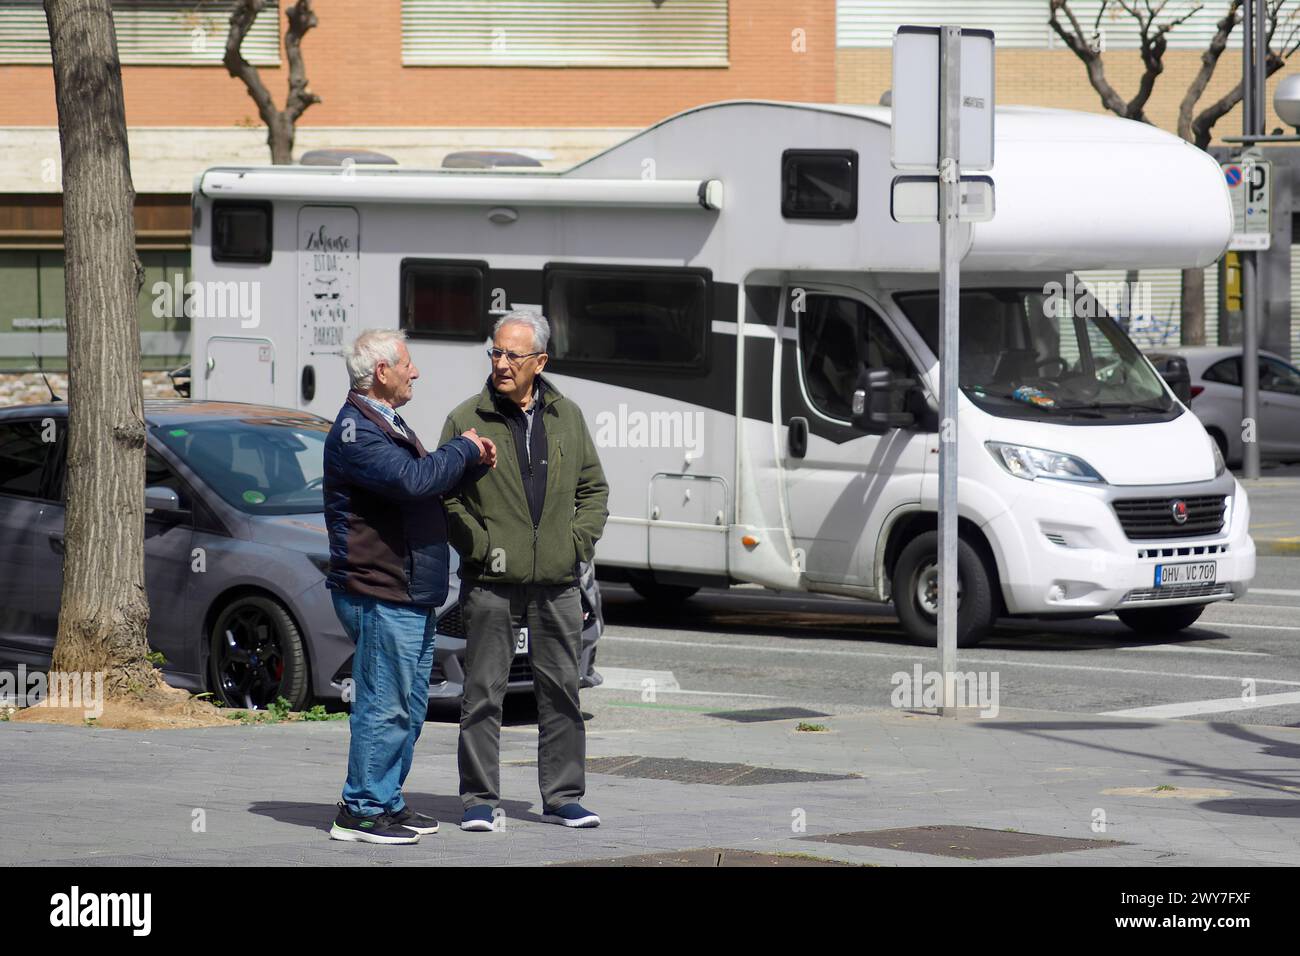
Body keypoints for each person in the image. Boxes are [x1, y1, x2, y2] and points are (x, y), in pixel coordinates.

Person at [324, 329, 496, 845]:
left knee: (410, 702)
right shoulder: (356, 430)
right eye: (407, 364)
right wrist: (462, 448)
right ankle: (360, 810)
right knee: (384, 703)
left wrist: (466, 464)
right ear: (382, 372)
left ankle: (386, 799)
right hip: (380, 590)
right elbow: (412, 481)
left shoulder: (385, 423)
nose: (414, 372)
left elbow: (422, 485)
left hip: (409, 592)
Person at [439, 310, 609, 831]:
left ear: (540, 361)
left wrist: (574, 545)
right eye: (496, 353)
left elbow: (593, 491)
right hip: (490, 581)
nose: (502, 364)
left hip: (557, 582)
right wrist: (483, 545)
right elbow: (447, 498)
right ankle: (479, 801)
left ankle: (563, 796)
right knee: (483, 693)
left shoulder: (568, 416)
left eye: (513, 355)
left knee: (561, 690)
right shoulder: (466, 417)